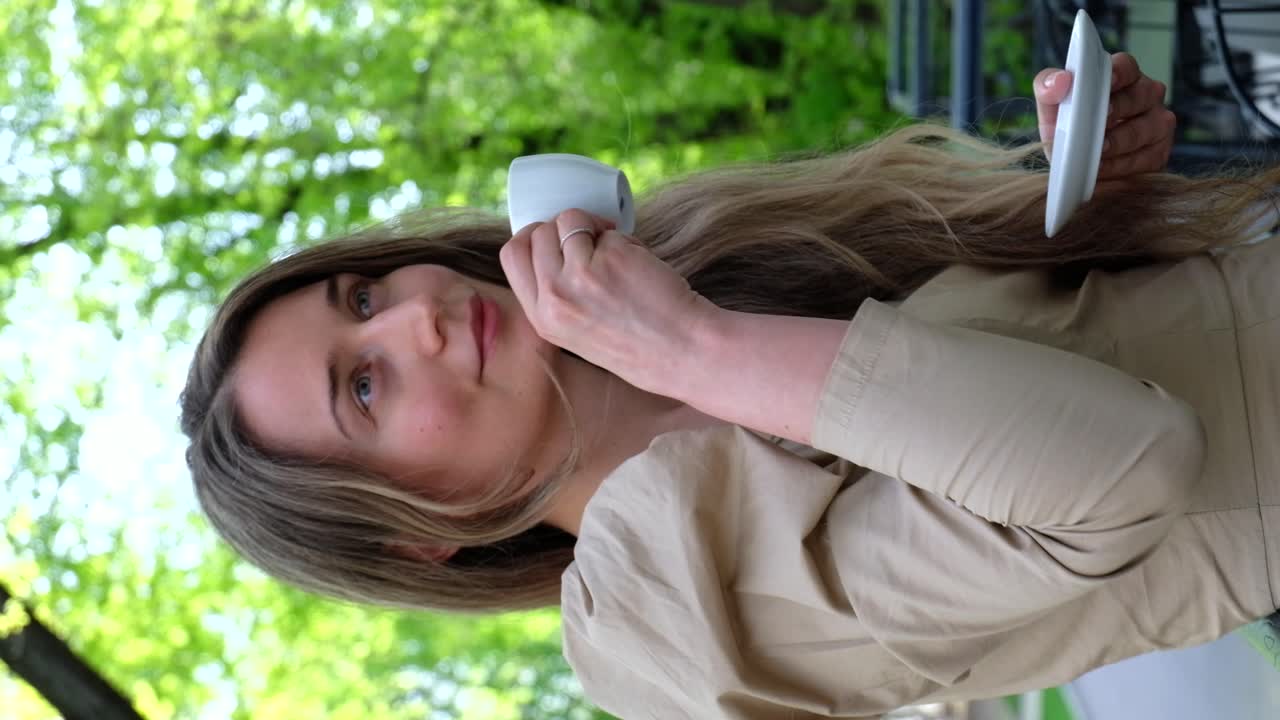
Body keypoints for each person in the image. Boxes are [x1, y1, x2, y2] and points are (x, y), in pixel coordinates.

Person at [180, 53, 1280, 718]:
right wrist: (695, 350)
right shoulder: (662, 612)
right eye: (363, 388)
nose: (416, 318)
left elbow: (1070, 337)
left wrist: (1083, 185)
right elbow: (1124, 468)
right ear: (418, 537)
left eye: (365, 295)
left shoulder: (704, 264)